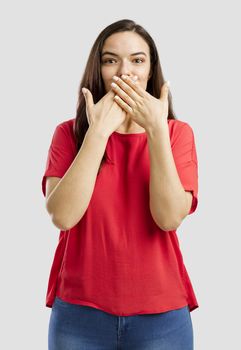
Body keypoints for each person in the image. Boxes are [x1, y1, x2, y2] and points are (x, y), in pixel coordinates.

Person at [42, 19, 199, 350]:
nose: (124, 72)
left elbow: (169, 217)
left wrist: (155, 130)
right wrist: (97, 133)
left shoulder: (176, 134)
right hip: (79, 313)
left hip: (163, 315)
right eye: (110, 60)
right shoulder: (68, 134)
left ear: (151, 69)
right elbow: (62, 216)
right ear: (97, 69)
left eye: (137, 60)